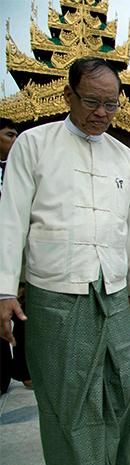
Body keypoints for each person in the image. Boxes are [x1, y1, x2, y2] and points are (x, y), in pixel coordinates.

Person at [0, 57, 130, 465]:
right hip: (58, 292)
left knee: (125, 389)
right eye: (91, 101)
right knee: (68, 399)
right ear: (68, 95)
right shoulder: (34, 145)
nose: (102, 113)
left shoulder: (124, 158)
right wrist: (5, 290)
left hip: (114, 292)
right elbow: (10, 220)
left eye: (111, 104)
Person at [0, 118, 31, 394]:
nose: (15, 141)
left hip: (18, 262)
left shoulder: (22, 171)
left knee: (21, 320)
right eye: (9, 135)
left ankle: (19, 369)